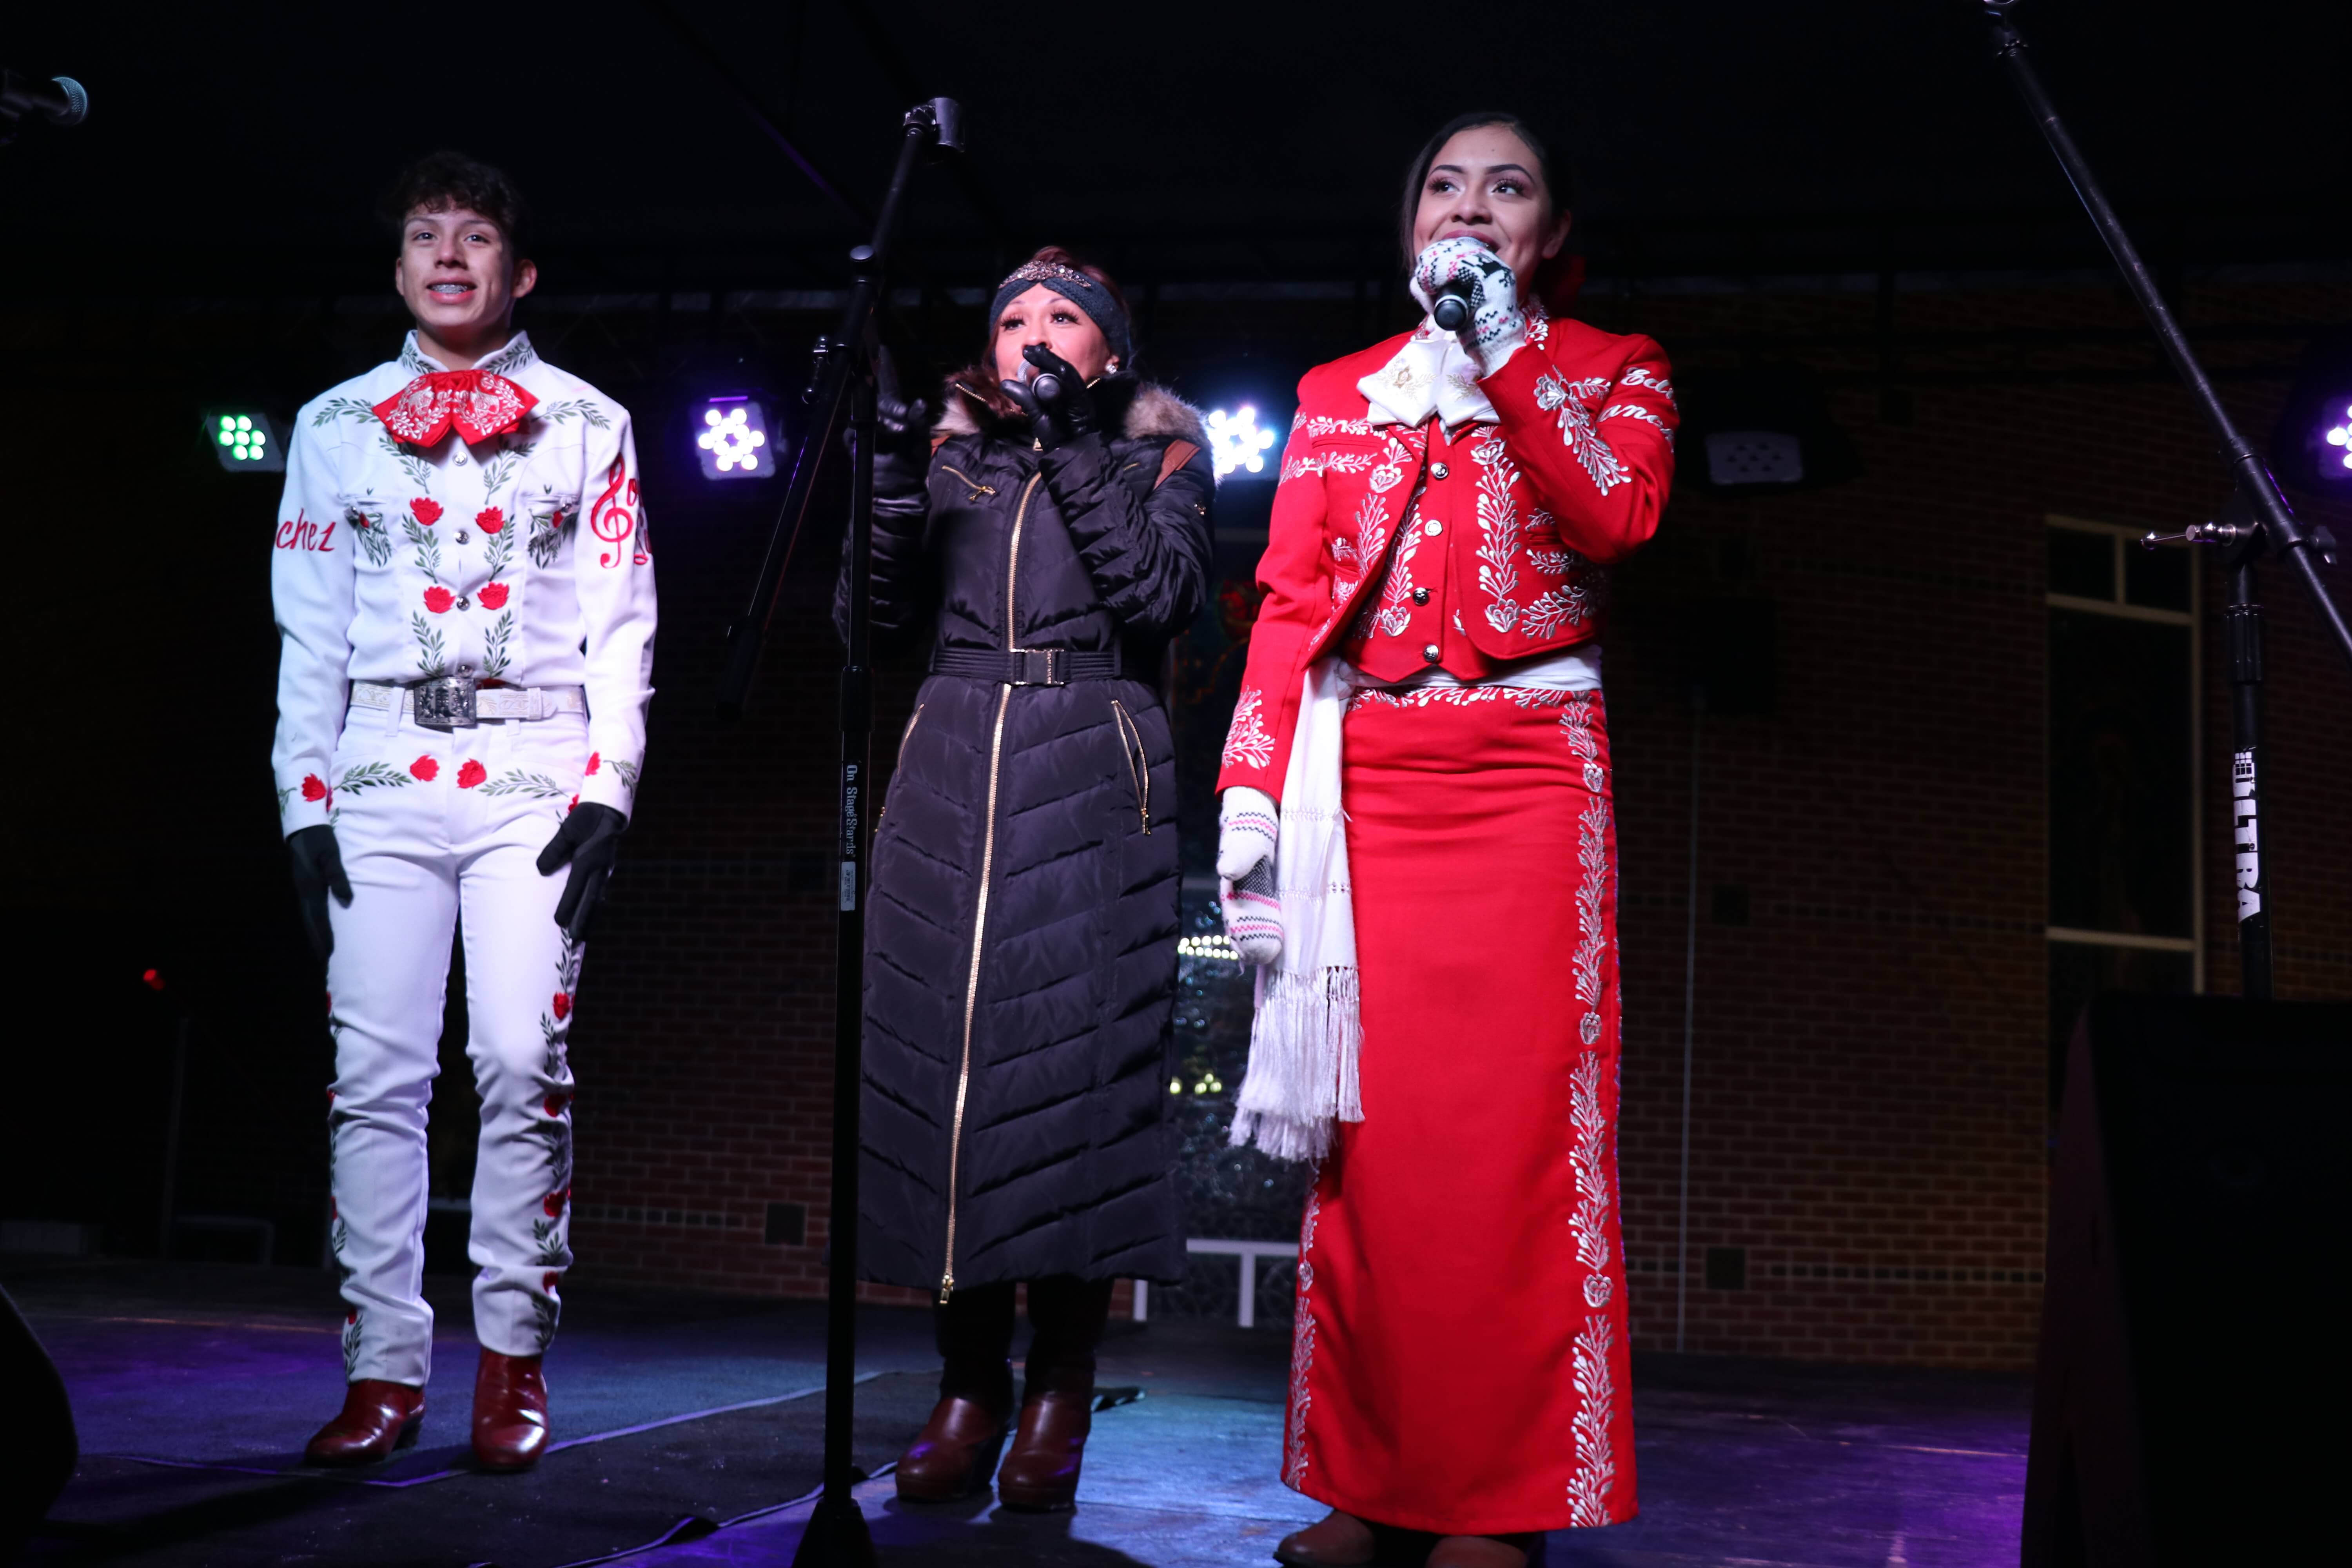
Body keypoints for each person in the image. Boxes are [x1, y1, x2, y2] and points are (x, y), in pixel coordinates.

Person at [1214, 114, 1676, 1568]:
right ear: (1409, 221)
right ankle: (1370, 1482)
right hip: (1369, 784)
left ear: (1552, 235)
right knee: (1373, 1146)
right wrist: (1250, 782)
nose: (1469, 208)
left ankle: (1507, 1501)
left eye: (1507, 188)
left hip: (1530, 774)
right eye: (1444, 186)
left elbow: (1618, 517)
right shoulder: (1339, 391)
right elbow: (1292, 599)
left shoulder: (1615, 366)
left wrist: (1507, 352)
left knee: (1518, 1144)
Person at [270, 151, 656, 1472]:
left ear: (519, 271)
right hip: (378, 770)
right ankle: (382, 1370)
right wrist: (302, 800)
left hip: (534, 772)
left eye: (475, 235)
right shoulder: (332, 425)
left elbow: (623, 622)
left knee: (518, 1061)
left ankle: (511, 1363)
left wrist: (610, 784)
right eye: (425, 235)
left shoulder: (589, 421)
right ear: (397, 272)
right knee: (374, 1077)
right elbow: (307, 630)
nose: (448, 253)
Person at [844, 248, 1214, 1510]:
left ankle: (1060, 1383)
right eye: (1014, 318)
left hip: (1094, 774)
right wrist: (890, 474)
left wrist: (1069, 445)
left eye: (1065, 317)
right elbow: (869, 627)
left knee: (1072, 1088)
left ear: (1111, 350)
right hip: (950, 773)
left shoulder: (1163, 457)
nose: (1036, 334)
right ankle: (968, 1384)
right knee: (946, 1083)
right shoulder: (951, 464)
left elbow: (1159, 597)